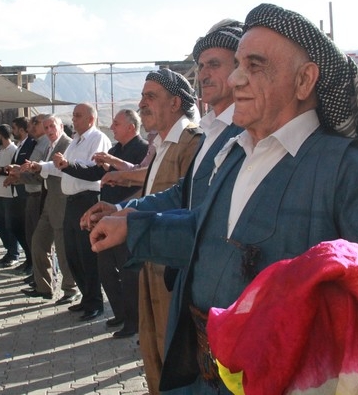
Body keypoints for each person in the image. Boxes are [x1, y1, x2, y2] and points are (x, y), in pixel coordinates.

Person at [90, 3, 358, 394]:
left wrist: (325, 299)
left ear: (304, 80)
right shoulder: (234, 154)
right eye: (237, 67)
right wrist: (132, 226)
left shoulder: (349, 169)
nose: (235, 80)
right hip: (199, 375)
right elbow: (204, 233)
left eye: (254, 65)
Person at [84, 22, 245, 351]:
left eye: (214, 64)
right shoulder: (205, 134)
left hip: (185, 267)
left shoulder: (209, 137)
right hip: (159, 257)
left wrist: (133, 223)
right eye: (200, 66)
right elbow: (180, 191)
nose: (204, 74)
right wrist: (123, 211)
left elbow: (200, 213)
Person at [62, 109, 148, 339]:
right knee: (105, 269)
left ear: (131, 127)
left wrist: (113, 165)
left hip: (127, 216)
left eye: (117, 123)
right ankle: (120, 313)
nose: (113, 127)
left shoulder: (143, 148)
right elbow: (97, 174)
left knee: (128, 272)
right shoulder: (114, 149)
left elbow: (141, 176)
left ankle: (134, 322)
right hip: (108, 215)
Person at [42, 103, 112, 321]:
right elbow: (61, 167)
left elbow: (94, 172)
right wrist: (40, 167)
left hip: (87, 201)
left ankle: (95, 303)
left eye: (78, 116)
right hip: (71, 202)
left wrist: (66, 166)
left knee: (87, 254)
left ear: (91, 119)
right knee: (72, 254)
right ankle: (85, 296)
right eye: (73, 115)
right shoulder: (75, 142)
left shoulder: (97, 139)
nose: (74, 119)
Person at [19, 115, 79, 304]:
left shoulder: (67, 145)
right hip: (49, 203)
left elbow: (61, 171)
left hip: (62, 204)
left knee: (62, 250)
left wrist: (37, 168)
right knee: (38, 243)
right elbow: (42, 175)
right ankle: (44, 287)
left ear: (60, 126)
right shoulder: (51, 147)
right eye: (46, 127)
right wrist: (22, 173)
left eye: (52, 126)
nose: (49, 130)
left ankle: (70, 289)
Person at [0, 116, 36, 267]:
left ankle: (32, 263)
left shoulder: (31, 145)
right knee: (15, 226)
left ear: (22, 129)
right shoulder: (20, 145)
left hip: (26, 192)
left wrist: (16, 174)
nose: (12, 131)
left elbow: (28, 167)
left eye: (14, 128)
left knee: (26, 229)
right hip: (17, 191)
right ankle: (28, 259)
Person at [0, 124, 19, 263]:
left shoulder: (14, 150)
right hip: (0, 192)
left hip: (10, 194)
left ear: (2, 135)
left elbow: (14, 170)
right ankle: (9, 250)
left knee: (9, 225)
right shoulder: (1, 151)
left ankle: (14, 253)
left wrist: (0, 171)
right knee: (0, 224)